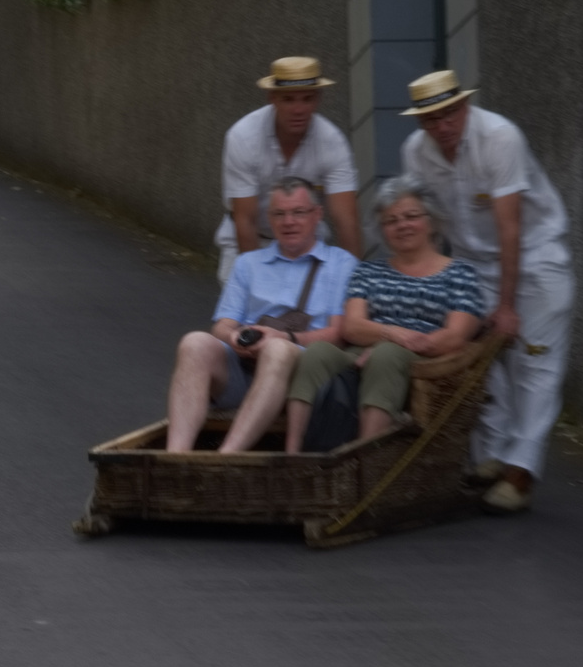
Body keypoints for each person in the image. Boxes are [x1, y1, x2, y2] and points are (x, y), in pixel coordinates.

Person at [399, 69, 572, 514]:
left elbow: (509, 226)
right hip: (471, 264)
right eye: (433, 117)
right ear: (420, 121)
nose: (444, 125)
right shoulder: (415, 153)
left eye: (451, 112)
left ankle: (521, 474)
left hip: (534, 257)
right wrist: (429, 287)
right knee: (479, 363)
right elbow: (426, 223)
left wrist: (508, 305)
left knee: (536, 365)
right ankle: (493, 456)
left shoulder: (500, 136)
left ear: (465, 106)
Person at [284, 176, 484, 452]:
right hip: (362, 352)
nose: (402, 225)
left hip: (422, 358)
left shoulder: (460, 273)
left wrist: (391, 344)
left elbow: (455, 336)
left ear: (432, 221)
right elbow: (352, 327)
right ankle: (293, 454)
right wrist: (390, 335)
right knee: (318, 353)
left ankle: (364, 460)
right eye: (391, 221)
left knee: (386, 356)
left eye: (411, 216)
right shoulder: (369, 271)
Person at [166, 178, 358, 453]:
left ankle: (226, 457)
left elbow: (339, 335)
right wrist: (235, 337)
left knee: (278, 349)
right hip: (246, 367)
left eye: (298, 212)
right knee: (194, 343)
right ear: (270, 219)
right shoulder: (248, 264)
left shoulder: (341, 263)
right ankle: (176, 456)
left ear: (317, 215)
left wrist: (284, 336)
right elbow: (222, 324)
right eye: (279, 214)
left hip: (303, 376)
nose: (288, 221)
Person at [216, 57, 363, 284]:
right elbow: (246, 220)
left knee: (315, 314)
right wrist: (257, 286)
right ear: (272, 98)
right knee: (242, 314)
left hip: (307, 241)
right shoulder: (242, 136)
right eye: (288, 99)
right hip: (248, 239)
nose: (298, 109)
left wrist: (355, 286)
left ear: (318, 99)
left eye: (307, 99)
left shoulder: (332, 141)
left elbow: (346, 220)